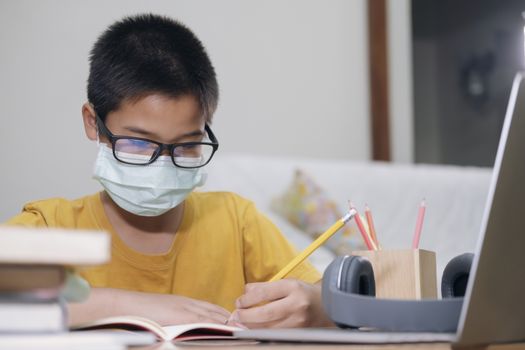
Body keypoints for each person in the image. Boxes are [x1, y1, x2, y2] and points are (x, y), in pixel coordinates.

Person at [5, 14, 333, 329]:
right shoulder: (50, 227)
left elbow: (332, 306)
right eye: (139, 143)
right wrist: (123, 305)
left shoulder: (236, 222)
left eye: (186, 145)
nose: (163, 165)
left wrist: (318, 308)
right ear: (94, 123)